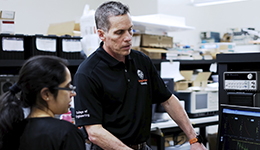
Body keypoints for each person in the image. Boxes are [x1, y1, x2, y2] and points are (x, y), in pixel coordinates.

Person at [74, 1, 207, 150]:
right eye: (119, 32)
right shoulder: (88, 73)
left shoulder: (141, 61)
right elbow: (94, 132)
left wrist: (194, 138)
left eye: (130, 30)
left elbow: (168, 100)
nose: (128, 37)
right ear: (101, 34)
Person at [0, 55, 86, 150]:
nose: (72, 93)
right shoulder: (67, 133)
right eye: (67, 87)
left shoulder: (12, 130)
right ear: (46, 94)